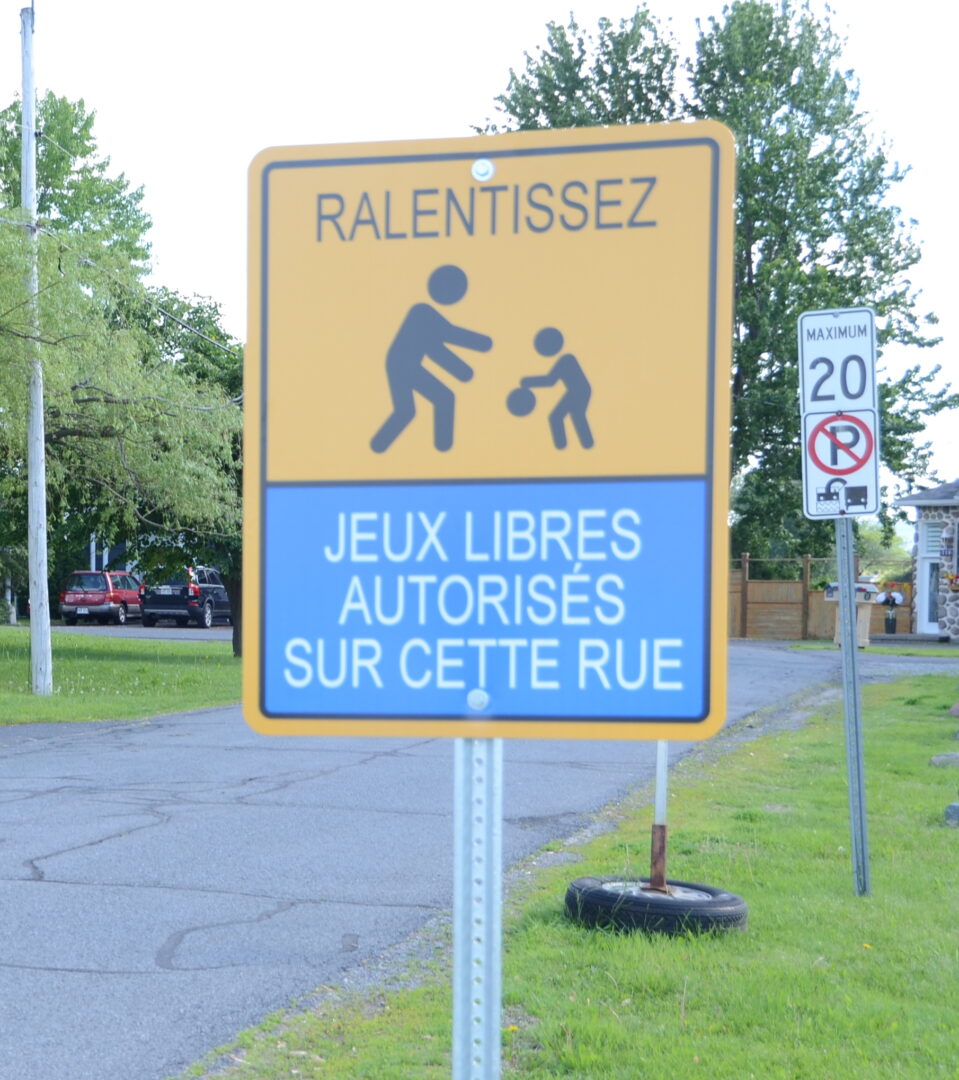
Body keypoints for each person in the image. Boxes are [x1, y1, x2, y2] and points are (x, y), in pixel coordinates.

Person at [370, 265, 492, 453]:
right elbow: (448, 334)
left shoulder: (424, 319)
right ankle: (442, 447)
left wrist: (463, 372)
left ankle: (382, 446)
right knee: (440, 399)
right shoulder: (422, 312)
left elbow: (435, 350)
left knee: (408, 411)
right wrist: (483, 343)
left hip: (401, 364)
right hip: (402, 365)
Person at [509, 326, 593, 449]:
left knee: (560, 416)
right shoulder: (566, 359)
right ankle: (580, 444)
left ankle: (571, 445)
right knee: (570, 415)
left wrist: (528, 381)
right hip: (578, 391)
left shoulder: (566, 360)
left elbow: (550, 381)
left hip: (579, 391)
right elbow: (551, 380)